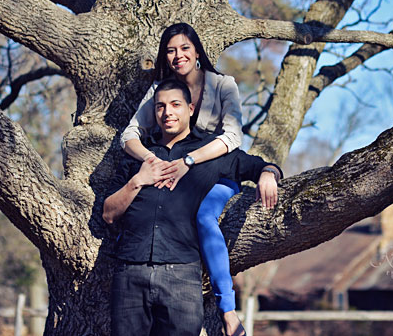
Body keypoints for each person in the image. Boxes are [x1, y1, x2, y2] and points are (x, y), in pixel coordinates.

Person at [104, 79, 281, 336]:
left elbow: (260, 165)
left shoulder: (209, 151)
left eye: (175, 105)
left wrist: (268, 174)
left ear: (190, 108)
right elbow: (108, 214)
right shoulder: (139, 154)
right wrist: (138, 180)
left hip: (181, 278)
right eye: (160, 107)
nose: (167, 112)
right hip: (130, 273)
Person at [120, 23, 248, 335]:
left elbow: (233, 137)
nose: (179, 56)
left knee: (204, 216)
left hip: (215, 171)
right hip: (174, 171)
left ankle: (228, 310)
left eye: (185, 48)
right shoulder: (162, 92)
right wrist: (153, 160)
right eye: (171, 50)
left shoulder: (223, 85)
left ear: (197, 51)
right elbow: (129, 135)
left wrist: (188, 160)